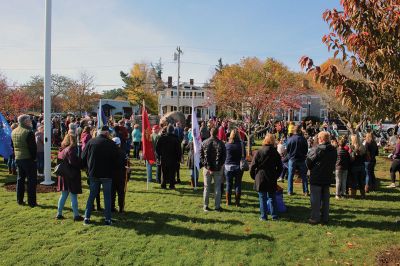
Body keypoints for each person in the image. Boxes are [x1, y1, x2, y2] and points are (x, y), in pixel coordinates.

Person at [81, 126, 119, 225]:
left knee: (92, 195)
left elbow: (83, 157)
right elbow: (117, 160)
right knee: (107, 197)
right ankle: (107, 219)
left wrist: (87, 168)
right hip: (107, 174)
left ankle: (87, 217)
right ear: (106, 133)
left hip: (94, 173)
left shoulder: (91, 142)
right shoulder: (111, 144)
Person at [306, 131, 337, 225]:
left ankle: (315, 218)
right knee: (325, 199)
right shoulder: (333, 150)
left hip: (316, 177)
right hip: (327, 176)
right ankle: (325, 217)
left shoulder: (316, 149)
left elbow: (308, 162)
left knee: (315, 200)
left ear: (321, 139)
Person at [250, 134, 282, 221]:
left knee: (262, 197)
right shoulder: (275, 153)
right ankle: (274, 216)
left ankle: (264, 216)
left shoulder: (259, 151)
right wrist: (276, 175)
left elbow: (252, 166)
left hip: (261, 176)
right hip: (271, 176)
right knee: (272, 197)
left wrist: (254, 176)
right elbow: (280, 167)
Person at [56, 132, 83, 221]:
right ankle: (76, 215)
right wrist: (80, 162)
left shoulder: (61, 149)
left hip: (63, 174)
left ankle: (59, 213)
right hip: (71, 175)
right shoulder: (71, 149)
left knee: (63, 194)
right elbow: (73, 162)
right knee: (73, 194)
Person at [11, 114, 37, 207]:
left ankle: (19, 200)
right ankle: (32, 202)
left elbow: (12, 146)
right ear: (25, 121)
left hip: (18, 158)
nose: (30, 121)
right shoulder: (28, 132)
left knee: (20, 179)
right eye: (29, 120)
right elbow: (33, 148)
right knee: (31, 181)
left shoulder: (13, 131)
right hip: (28, 159)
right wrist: (34, 158)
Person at [200, 127, 226, 212]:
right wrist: (218, 166)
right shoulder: (220, 143)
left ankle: (206, 206)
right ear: (217, 133)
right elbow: (223, 157)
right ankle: (217, 206)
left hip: (210, 168)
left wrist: (207, 166)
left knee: (207, 187)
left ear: (210, 133)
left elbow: (201, 156)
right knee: (217, 187)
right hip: (216, 169)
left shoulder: (204, 142)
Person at [155, 125, 182, 189]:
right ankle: (171, 185)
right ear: (173, 131)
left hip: (164, 158)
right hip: (173, 159)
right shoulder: (176, 139)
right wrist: (178, 159)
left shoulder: (162, 138)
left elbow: (157, 149)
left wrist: (159, 156)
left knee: (164, 172)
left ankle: (163, 185)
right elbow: (179, 150)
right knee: (172, 173)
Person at [285, 125, 309, 196]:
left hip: (292, 159)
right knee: (304, 176)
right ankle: (305, 191)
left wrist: (290, 156)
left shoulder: (290, 139)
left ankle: (290, 191)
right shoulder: (303, 139)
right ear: (299, 131)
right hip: (301, 159)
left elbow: (287, 150)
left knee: (290, 175)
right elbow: (306, 150)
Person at [224, 129, 244, 207]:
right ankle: (237, 203)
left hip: (228, 166)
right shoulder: (241, 144)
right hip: (238, 166)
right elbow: (244, 155)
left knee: (229, 184)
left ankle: (228, 202)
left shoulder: (227, 145)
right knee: (238, 184)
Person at [111, 137, 128, 213]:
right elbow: (127, 164)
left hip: (112, 175)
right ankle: (121, 208)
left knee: (112, 192)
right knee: (121, 193)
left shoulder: (109, 152)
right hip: (121, 175)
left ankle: (112, 207)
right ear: (119, 144)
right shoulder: (123, 152)